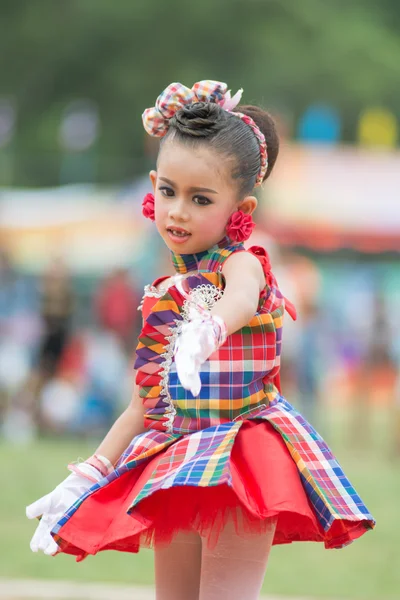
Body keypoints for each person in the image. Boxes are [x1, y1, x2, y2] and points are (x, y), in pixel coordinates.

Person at [26, 80, 375, 600]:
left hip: (239, 457)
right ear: (152, 185)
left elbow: (238, 298)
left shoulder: (240, 263)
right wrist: (88, 475)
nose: (178, 211)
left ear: (242, 206)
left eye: (200, 198)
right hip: (178, 461)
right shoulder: (163, 294)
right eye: (168, 191)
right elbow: (144, 404)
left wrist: (209, 328)